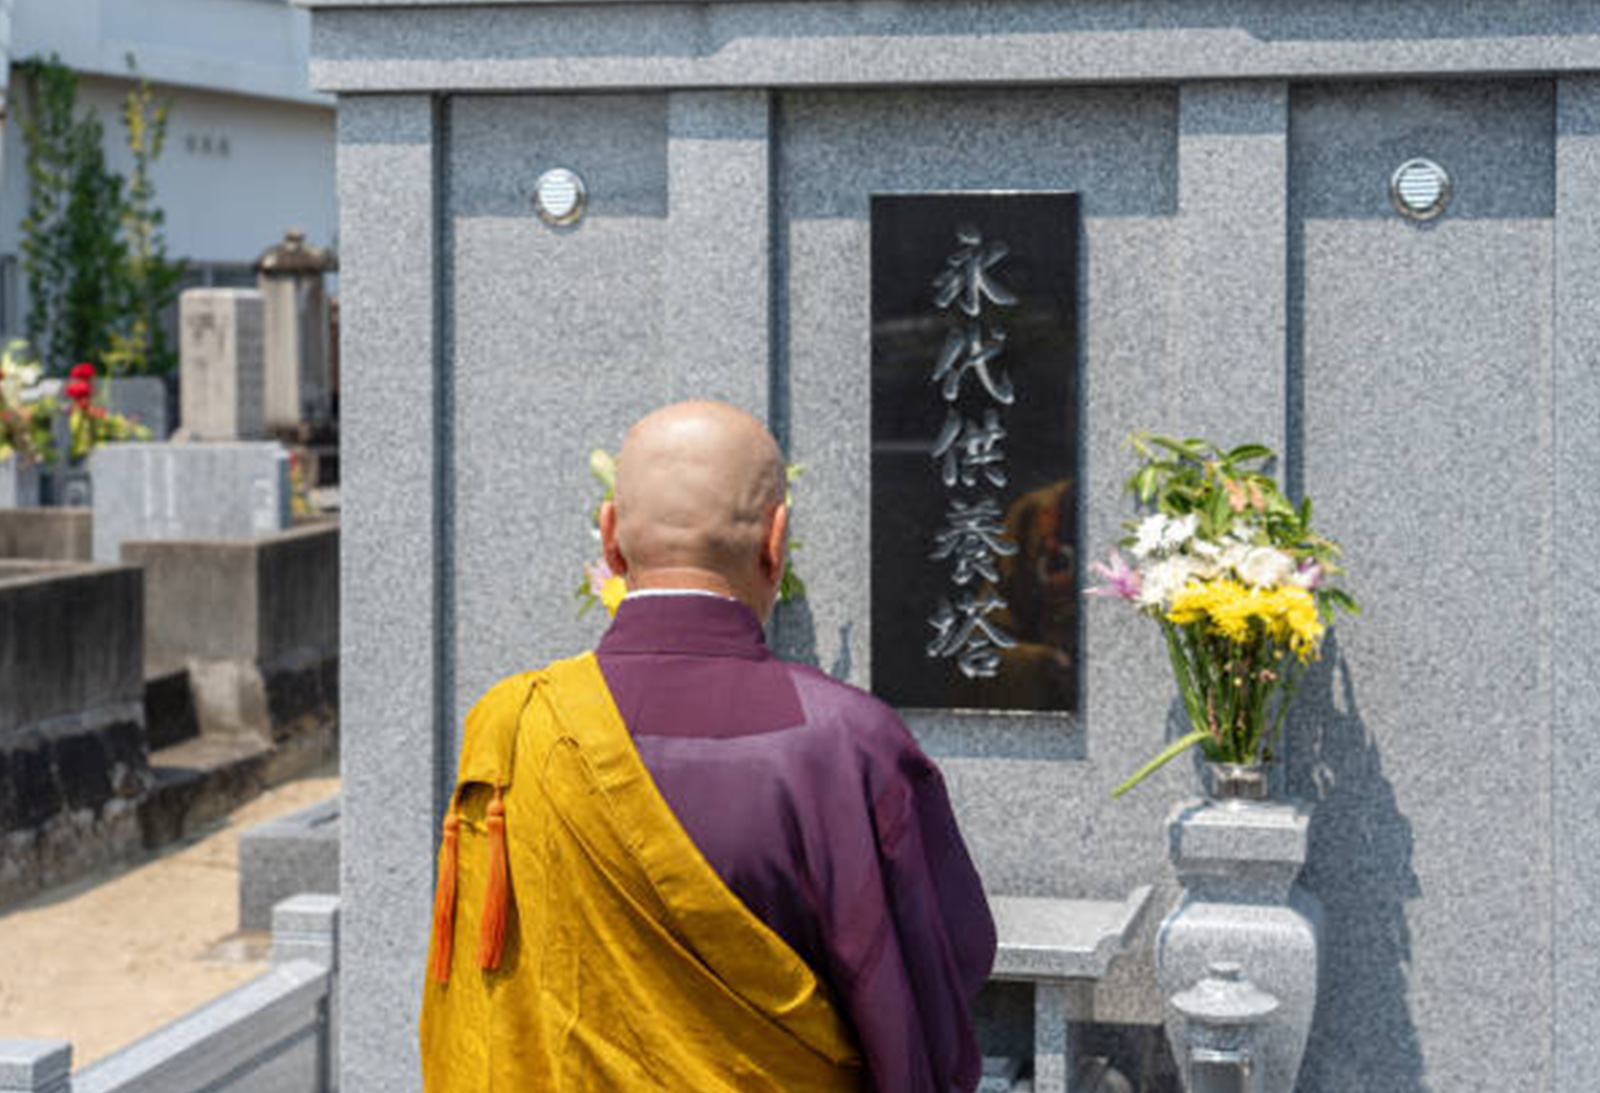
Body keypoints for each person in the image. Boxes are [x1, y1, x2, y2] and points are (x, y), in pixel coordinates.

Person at [420, 400, 996, 1092]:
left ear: (611, 539)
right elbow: (925, 997)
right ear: (776, 540)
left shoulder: (514, 724)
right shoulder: (845, 743)